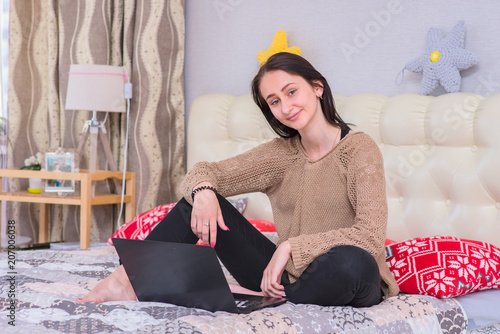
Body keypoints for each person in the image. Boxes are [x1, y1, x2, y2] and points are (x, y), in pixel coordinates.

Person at [77, 52, 399, 307]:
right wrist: (204, 193)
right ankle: (126, 280)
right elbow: (205, 172)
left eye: (291, 91)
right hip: (279, 280)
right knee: (199, 203)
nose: (286, 106)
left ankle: (260, 295)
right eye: (274, 101)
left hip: (346, 276)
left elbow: (369, 235)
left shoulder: (359, 149)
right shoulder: (281, 154)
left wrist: (290, 247)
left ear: (316, 87)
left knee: (354, 263)